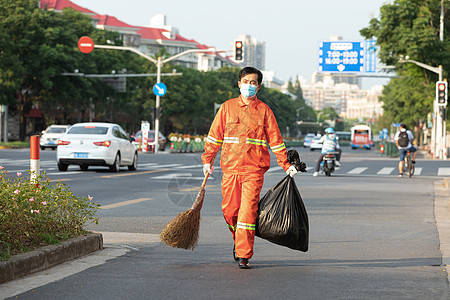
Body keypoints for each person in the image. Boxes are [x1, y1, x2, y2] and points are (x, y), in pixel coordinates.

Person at [201, 66, 298, 269]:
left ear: (259, 86)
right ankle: (238, 239)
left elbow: (276, 141)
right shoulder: (227, 108)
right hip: (230, 169)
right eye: (246, 81)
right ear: (239, 83)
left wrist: (286, 164)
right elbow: (214, 135)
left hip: (254, 171)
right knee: (230, 212)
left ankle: (244, 255)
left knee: (247, 213)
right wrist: (207, 160)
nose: (249, 86)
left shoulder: (264, 111)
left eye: (253, 83)